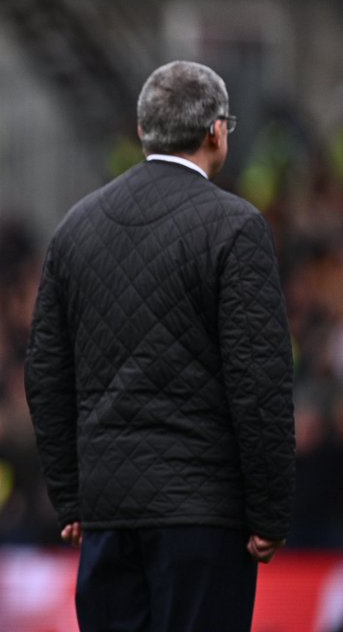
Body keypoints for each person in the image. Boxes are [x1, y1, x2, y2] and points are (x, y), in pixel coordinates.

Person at [24, 60, 296, 631]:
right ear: (216, 131)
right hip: (204, 522)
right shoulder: (236, 228)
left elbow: (46, 373)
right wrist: (270, 510)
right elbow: (259, 380)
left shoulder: (76, 227)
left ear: (143, 130)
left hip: (108, 516)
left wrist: (72, 499)